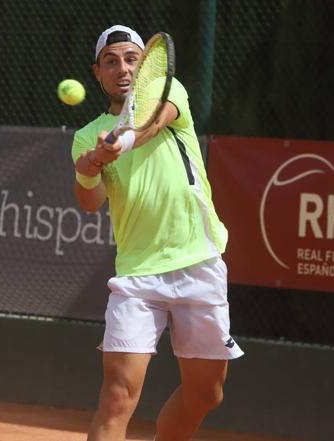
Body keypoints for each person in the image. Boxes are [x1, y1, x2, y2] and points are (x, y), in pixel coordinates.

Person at [71, 25, 244, 441]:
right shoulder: (84, 136)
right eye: (111, 61)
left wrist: (121, 142)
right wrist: (90, 164)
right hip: (136, 276)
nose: (123, 68)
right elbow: (90, 201)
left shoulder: (170, 93)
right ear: (97, 72)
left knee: (206, 393)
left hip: (198, 262)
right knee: (116, 396)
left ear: (146, 66)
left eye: (131, 58)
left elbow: (149, 123)